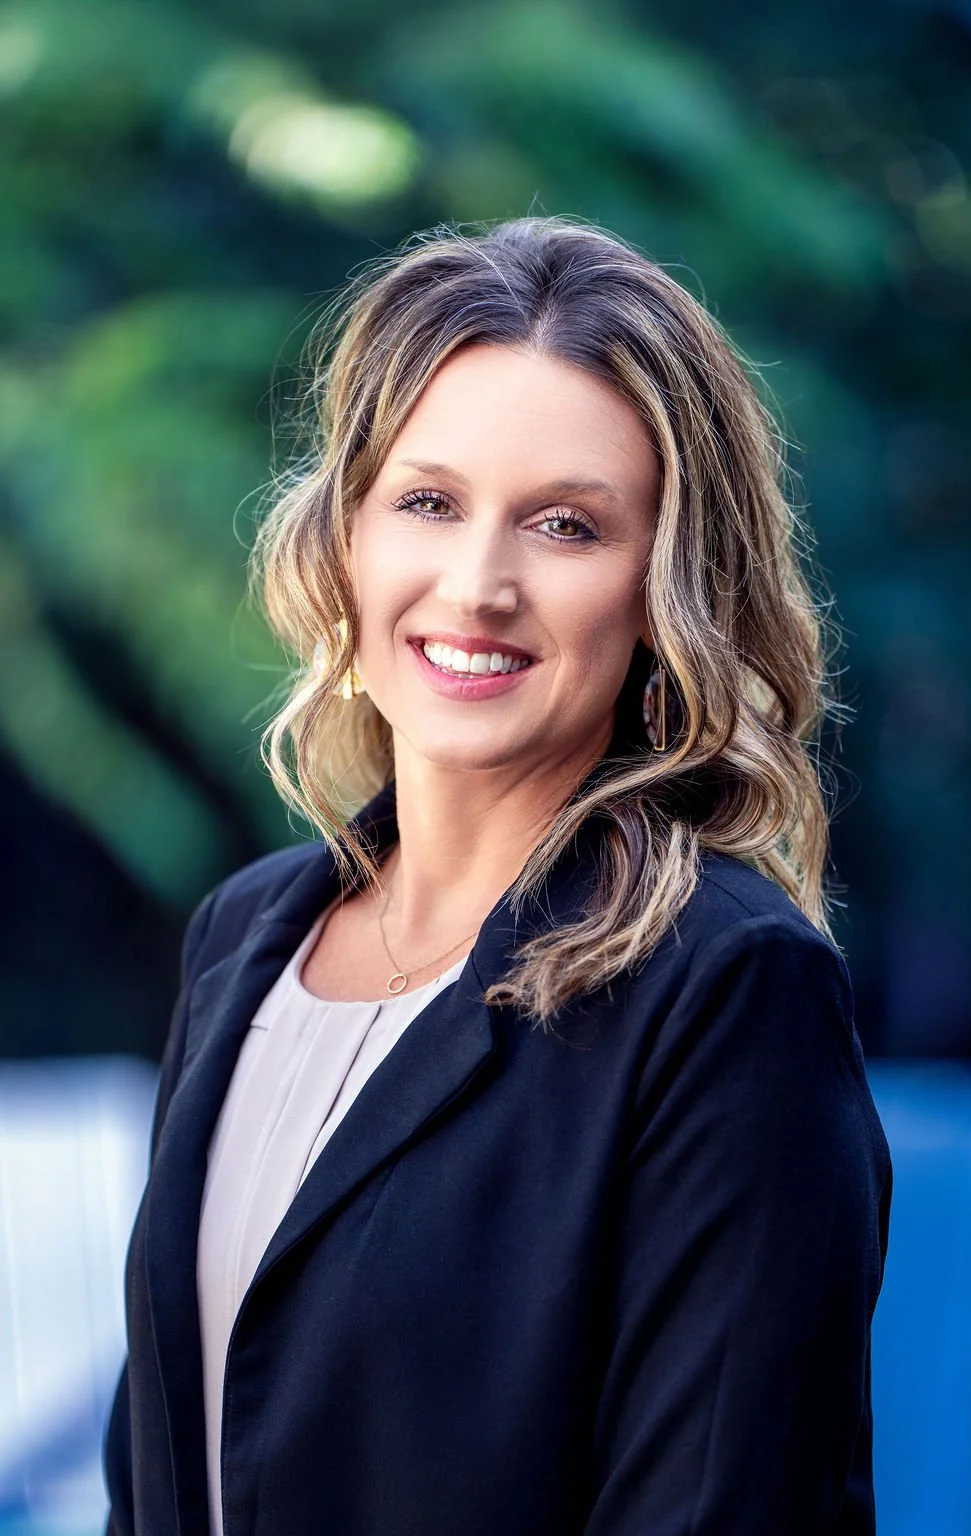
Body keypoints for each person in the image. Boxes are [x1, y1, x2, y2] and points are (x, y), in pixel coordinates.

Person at [103, 215, 893, 1536]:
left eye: (567, 527)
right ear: (345, 536)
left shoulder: (728, 991)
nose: (478, 585)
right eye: (428, 502)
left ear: (663, 590)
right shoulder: (242, 939)